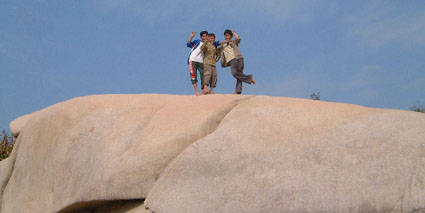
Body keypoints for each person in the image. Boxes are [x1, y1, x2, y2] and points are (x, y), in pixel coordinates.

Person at [218, 29, 256, 95]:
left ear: (231, 36)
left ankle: (238, 91)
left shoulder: (233, 42)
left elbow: (238, 38)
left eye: (228, 35)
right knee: (236, 74)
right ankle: (249, 78)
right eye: (225, 35)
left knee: (237, 74)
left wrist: (233, 32)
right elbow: (216, 47)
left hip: (238, 58)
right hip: (232, 60)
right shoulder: (222, 45)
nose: (226, 37)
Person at [187, 31, 208, 96]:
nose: (205, 38)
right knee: (193, 75)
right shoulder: (197, 41)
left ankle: (204, 89)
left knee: (203, 75)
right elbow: (188, 44)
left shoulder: (208, 44)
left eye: (206, 36)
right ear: (201, 37)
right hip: (193, 59)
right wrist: (191, 36)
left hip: (201, 61)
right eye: (203, 36)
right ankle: (197, 91)